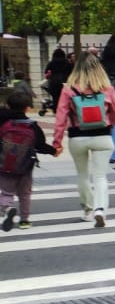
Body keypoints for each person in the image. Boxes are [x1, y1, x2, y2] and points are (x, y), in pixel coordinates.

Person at [51, 52, 115, 228]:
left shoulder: (68, 89)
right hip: (102, 136)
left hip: (77, 137)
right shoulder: (107, 88)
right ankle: (100, 209)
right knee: (100, 176)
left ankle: (88, 211)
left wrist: (56, 142)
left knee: (82, 175)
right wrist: (109, 126)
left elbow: (60, 117)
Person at [1, 90, 50, 231]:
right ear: (28, 108)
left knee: (6, 192)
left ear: (8, 106)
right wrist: (54, 151)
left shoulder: (3, 123)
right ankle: (24, 221)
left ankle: (7, 207)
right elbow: (40, 145)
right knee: (25, 194)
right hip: (25, 166)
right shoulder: (32, 125)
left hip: (4, 165)